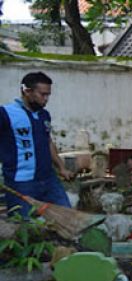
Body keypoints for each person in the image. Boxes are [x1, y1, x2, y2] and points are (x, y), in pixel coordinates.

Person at [0, 72, 73, 217]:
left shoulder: (44, 115)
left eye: (48, 95)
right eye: (42, 94)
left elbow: (48, 141)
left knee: (66, 217)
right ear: (27, 91)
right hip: (20, 182)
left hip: (48, 179)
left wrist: (61, 168)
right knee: (24, 227)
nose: (46, 99)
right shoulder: (5, 114)